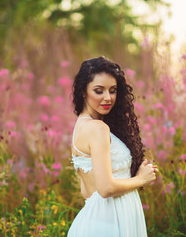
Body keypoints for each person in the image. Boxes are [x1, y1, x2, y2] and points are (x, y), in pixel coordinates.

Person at [67, 56, 158, 237]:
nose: (108, 98)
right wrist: (142, 179)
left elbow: (87, 191)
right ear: (83, 91)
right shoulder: (98, 128)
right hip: (109, 223)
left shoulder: (82, 127)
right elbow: (105, 188)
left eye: (113, 90)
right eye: (99, 91)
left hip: (99, 221)